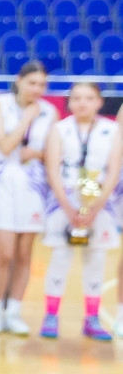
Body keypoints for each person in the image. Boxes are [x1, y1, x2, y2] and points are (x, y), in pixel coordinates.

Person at [41, 82, 121, 340]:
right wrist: (68, 205)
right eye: (76, 98)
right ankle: (51, 315)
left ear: (99, 102)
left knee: (96, 261)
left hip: (101, 203)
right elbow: (52, 169)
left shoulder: (113, 130)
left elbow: (114, 170)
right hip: (64, 201)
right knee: (60, 258)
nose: (82, 103)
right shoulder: (60, 129)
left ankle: (92, 318)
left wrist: (96, 206)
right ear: (69, 102)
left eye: (88, 98)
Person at [0, 61, 56, 335]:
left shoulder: (50, 111)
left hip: (33, 183)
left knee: (25, 254)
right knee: (4, 252)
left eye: (42, 85)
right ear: (19, 81)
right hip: (2, 179)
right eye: (32, 83)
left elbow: (53, 152)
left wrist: (37, 153)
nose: (37, 89)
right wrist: (26, 118)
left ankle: (14, 311)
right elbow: (4, 145)